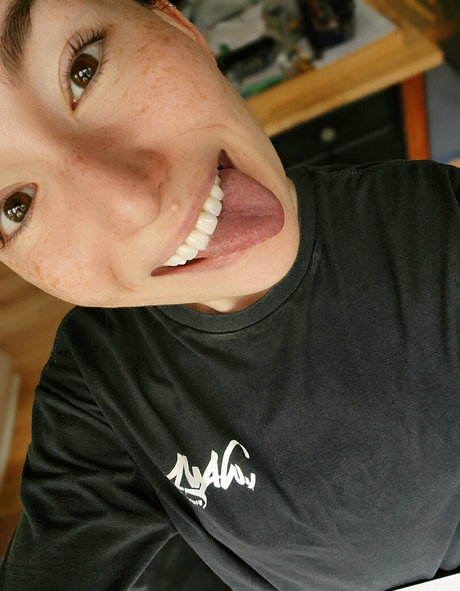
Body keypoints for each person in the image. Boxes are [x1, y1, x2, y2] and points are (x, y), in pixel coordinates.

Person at [0, 0, 459, 589]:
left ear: (179, 26)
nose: (135, 205)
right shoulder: (98, 387)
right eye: (14, 207)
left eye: (82, 70)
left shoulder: (440, 225)